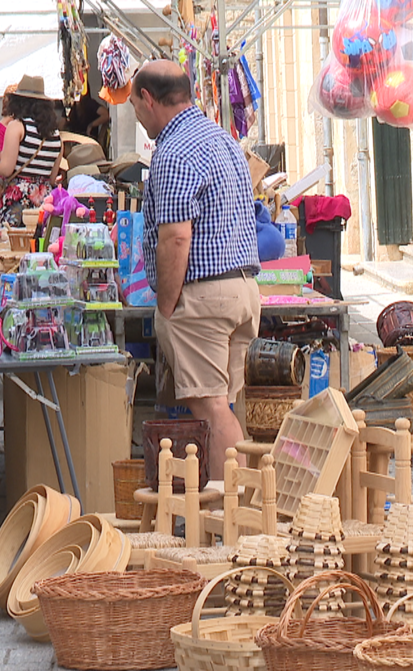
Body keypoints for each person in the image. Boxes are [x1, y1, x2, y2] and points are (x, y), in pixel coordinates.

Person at [131, 60, 261, 471]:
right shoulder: (220, 139)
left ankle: (236, 514)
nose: (137, 114)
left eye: (135, 105)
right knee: (224, 405)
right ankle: (236, 511)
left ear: (148, 100)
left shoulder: (173, 151)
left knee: (211, 409)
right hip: (240, 289)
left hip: (203, 296)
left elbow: (175, 237)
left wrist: (167, 305)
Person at [0, 76, 63, 235]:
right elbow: (51, 178)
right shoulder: (56, 135)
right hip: (45, 201)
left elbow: (6, 168)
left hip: (17, 198)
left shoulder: (17, 126)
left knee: (6, 253)